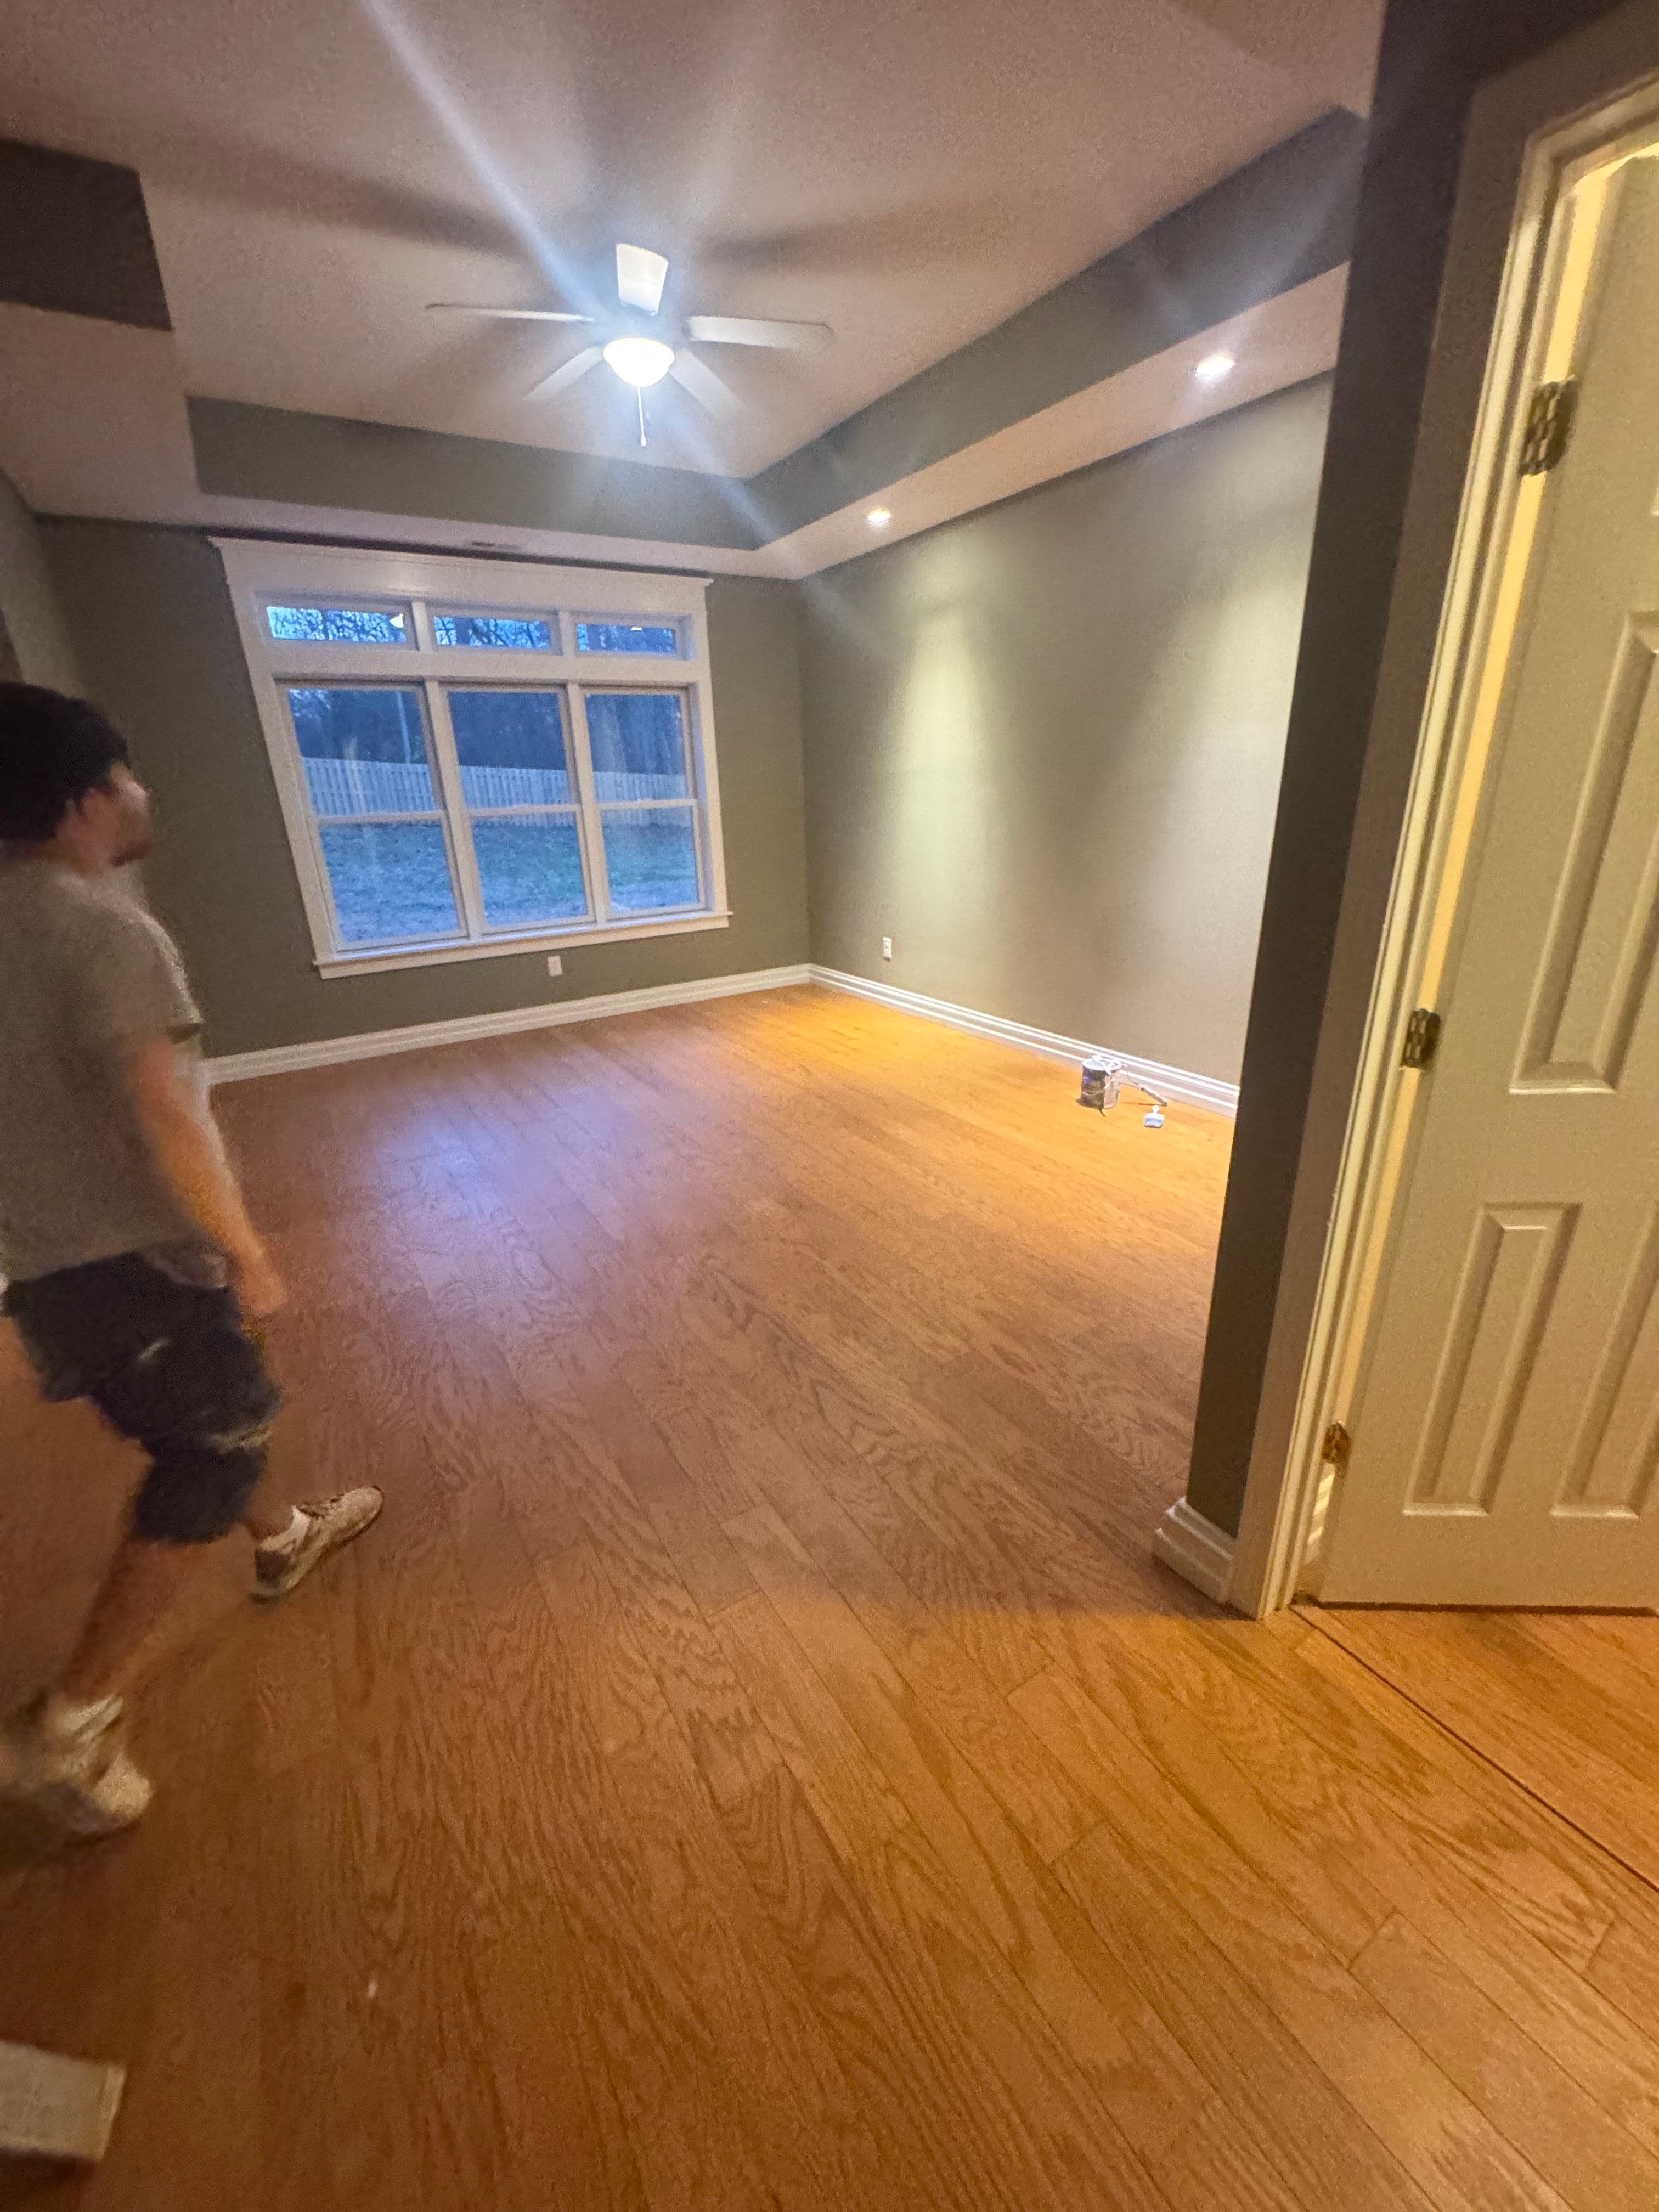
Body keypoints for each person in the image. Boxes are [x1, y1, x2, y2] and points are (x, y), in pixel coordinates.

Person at [0, 682, 381, 1840]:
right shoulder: (103, 931)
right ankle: (68, 1724)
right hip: (135, 1265)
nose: (141, 792)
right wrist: (245, 1251)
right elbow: (165, 1111)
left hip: (44, 1267)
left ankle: (285, 1539)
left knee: (208, 1420)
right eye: (126, 774)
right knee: (212, 1449)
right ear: (85, 800)